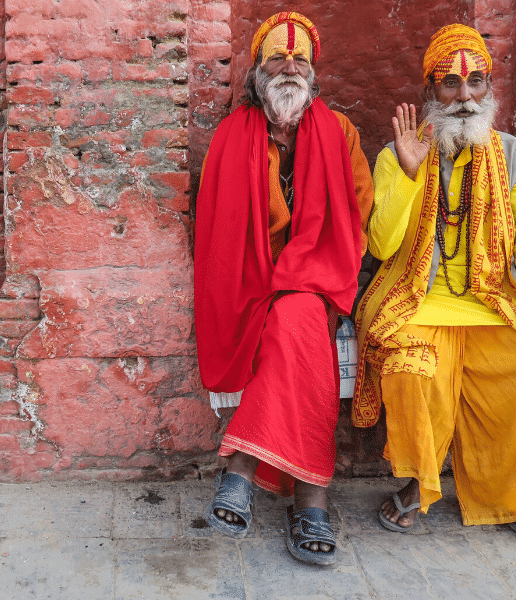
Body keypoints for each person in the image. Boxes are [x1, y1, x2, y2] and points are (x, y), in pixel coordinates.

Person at [353, 24, 516, 544]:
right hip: (412, 298)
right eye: (450, 85)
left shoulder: (512, 159)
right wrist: (405, 172)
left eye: (476, 84)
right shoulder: (401, 152)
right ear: (429, 93)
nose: (464, 97)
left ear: (490, 90)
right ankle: (419, 485)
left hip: (488, 300)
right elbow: (380, 245)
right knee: (413, 370)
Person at [194, 12, 372, 565]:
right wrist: (268, 275)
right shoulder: (231, 137)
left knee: (297, 315)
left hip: (320, 280)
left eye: (300, 60)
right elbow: (215, 228)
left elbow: (357, 216)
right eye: (277, 58)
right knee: (292, 325)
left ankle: (241, 468)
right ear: (257, 72)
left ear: (314, 74)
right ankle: (310, 500)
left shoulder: (340, 133)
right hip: (250, 282)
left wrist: (312, 272)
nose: (289, 67)